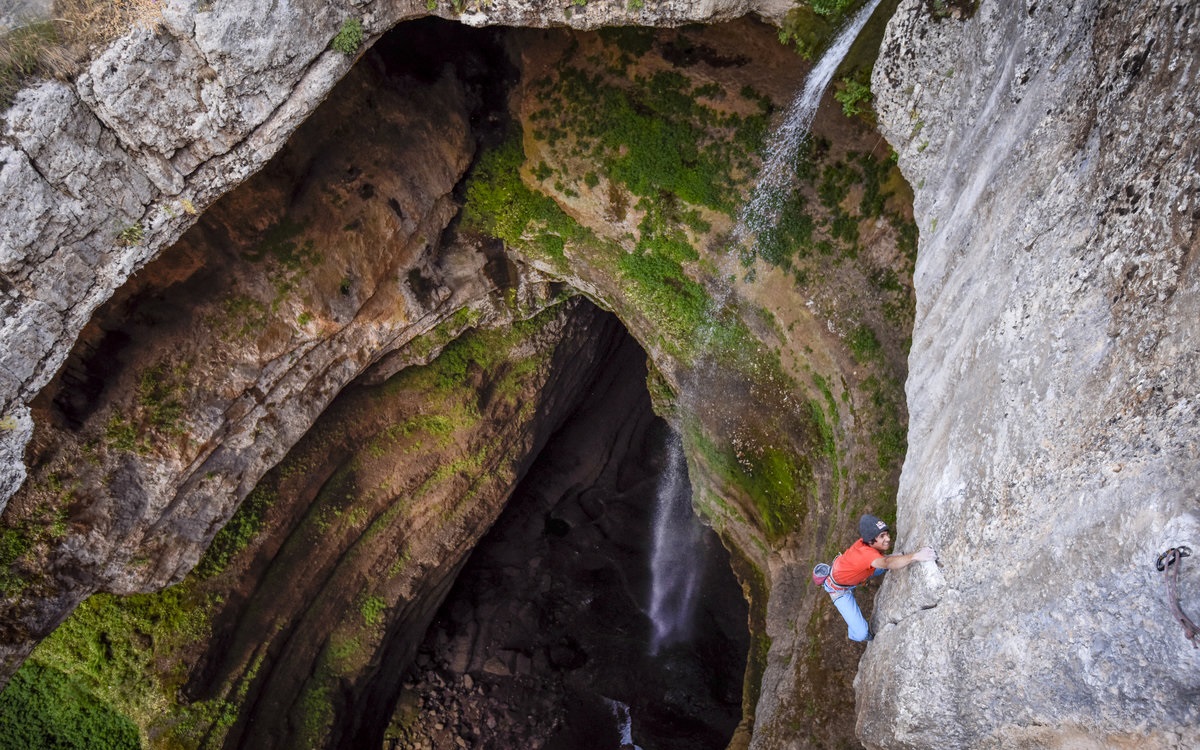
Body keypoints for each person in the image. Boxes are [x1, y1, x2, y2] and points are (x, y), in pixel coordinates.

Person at [822, 514, 936, 642]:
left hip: (853, 575)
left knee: (884, 563)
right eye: (882, 536)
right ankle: (862, 635)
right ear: (871, 541)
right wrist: (916, 556)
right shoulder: (866, 555)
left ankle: (885, 563)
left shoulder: (867, 543)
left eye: (886, 534)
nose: (888, 538)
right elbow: (887, 562)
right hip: (839, 591)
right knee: (861, 634)